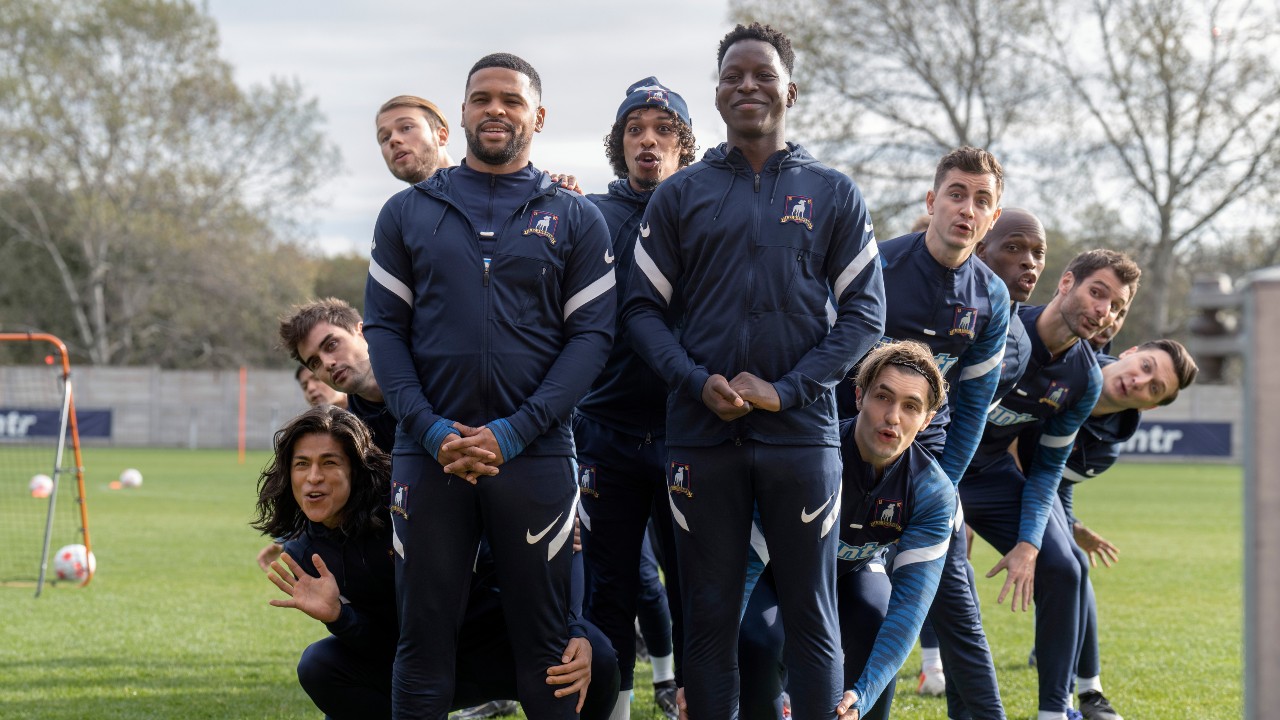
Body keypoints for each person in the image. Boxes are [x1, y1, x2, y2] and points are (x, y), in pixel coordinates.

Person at [622, 22, 886, 719]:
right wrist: (693, 379)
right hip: (700, 438)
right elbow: (641, 311)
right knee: (706, 617)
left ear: (789, 90)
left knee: (811, 613)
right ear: (715, 95)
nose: (748, 86)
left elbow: (865, 316)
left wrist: (787, 389)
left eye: (762, 75)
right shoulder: (679, 195)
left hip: (801, 438)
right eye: (733, 76)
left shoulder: (833, 192)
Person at [364, 53, 616, 719]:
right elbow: (383, 333)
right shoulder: (406, 213)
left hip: (534, 457)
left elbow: (591, 339)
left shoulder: (575, 215)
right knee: (422, 646)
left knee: (550, 649)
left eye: (510, 98)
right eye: (481, 98)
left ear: (539, 115)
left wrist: (513, 431)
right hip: (430, 455)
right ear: (464, 111)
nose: (495, 109)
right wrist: (430, 428)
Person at [253, 405, 619, 720]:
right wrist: (339, 617)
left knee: (595, 655)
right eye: (302, 465)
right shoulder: (305, 554)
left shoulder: (410, 506)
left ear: (355, 469)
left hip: (501, 648)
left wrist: (573, 629)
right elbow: (381, 645)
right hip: (418, 667)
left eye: (328, 462)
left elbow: (560, 552)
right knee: (321, 666)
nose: (313, 477)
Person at [839, 148, 1011, 718]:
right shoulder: (878, 265)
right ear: (932, 201)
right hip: (842, 446)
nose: (967, 208)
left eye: (982, 200)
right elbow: (832, 365)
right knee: (822, 596)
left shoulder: (992, 297)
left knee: (954, 600)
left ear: (992, 216)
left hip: (921, 457)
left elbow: (973, 409)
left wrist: (941, 493)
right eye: (957, 194)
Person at [961, 249, 1140, 720]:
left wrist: (1027, 543)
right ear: (1066, 283)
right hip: (931, 468)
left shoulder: (1083, 378)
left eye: (1117, 307)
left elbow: (1046, 470)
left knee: (1062, 566)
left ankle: (1054, 711)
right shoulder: (1000, 323)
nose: (1105, 311)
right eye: (1097, 292)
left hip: (989, 476)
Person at [739, 340, 955, 720]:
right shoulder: (807, 458)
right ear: (858, 396)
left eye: (910, 406)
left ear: (927, 420)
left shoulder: (933, 493)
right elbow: (744, 566)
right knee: (759, 639)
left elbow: (909, 610)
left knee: (877, 617)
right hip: (775, 573)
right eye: (882, 398)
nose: (892, 417)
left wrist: (864, 695)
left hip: (850, 572)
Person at [576, 75, 697, 720]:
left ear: (685, 145)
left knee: (691, 586)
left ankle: (691, 699)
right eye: (635, 130)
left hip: (689, 430)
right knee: (609, 587)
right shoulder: (586, 212)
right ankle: (615, 707)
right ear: (618, 144)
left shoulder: (708, 205)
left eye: (663, 131)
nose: (649, 142)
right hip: (606, 432)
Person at [1020, 338, 1197, 720]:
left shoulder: (1107, 448)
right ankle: (935, 667)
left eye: (1153, 388)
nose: (1138, 381)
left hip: (1039, 480)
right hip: (987, 459)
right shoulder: (1065, 364)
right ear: (1130, 352)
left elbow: (1045, 479)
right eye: (1146, 367)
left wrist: (1070, 524)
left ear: (1150, 405)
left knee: (1075, 568)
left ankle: (1086, 693)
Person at [376, 95, 454, 184]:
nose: (393, 140)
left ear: (441, 136)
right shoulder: (399, 198)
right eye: (385, 138)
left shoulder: (473, 189)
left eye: (406, 128)